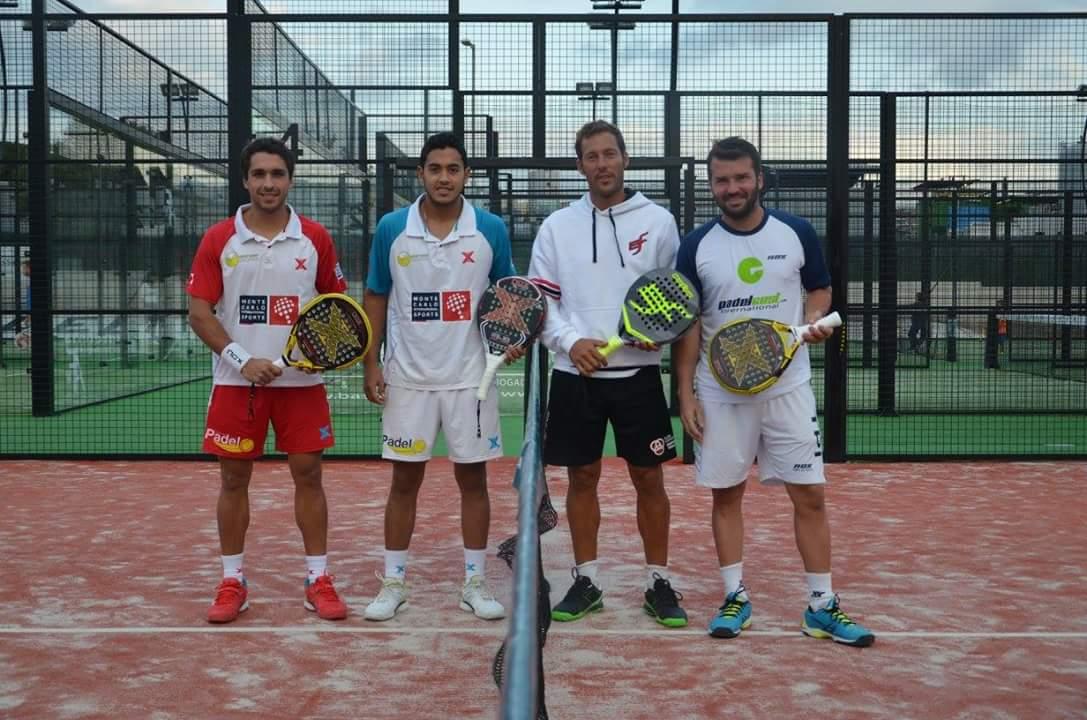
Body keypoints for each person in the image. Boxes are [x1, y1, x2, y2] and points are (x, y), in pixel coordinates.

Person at [673, 136, 875, 646]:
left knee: (810, 495)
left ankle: (822, 605)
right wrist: (686, 394)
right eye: (722, 180)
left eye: (741, 177)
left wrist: (812, 319)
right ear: (711, 186)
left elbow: (820, 288)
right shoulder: (696, 245)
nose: (733, 187)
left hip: (789, 388)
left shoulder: (796, 231)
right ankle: (734, 595)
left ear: (759, 178)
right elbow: (690, 325)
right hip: (720, 394)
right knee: (727, 494)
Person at [527, 120, 687, 629]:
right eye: (591, 156)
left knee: (649, 478)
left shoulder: (659, 222)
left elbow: (674, 296)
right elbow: (542, 303)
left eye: (610, 154)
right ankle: (587, 579)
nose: (602, 164)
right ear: (580, 165)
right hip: (576, 376)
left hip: (639, 378)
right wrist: (572, 343)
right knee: (583, 477)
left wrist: (657, 334)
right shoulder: (556, 226)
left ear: (625, 159)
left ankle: (659, 581)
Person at [187, 137, 350, 624]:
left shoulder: (315, 237)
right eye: (259, 175)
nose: (268, 184)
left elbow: (338, 309)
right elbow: (200, 312)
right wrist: (242, 359)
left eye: (277, 174)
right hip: (239, 385)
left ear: (290, 179)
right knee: (234, 479)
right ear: (245, 180)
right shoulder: (220, 239)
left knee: (310, 476)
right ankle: (233, 580)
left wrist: (319, 352)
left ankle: (317, 578)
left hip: (301, 387)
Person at [362, 132, 518, 622]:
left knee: (473, 481)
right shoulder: (391, 228)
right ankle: (394, 582)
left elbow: (509, 294)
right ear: (421, 174)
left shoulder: (490, 228)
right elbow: (376, 296)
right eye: (435, 168)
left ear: (466, 175)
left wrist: (510, 337)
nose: (444, 177)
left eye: (453, 168)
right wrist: (370, 360)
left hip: (472, 380)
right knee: (403, 482)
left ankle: (474, 580)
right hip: (407, 378)